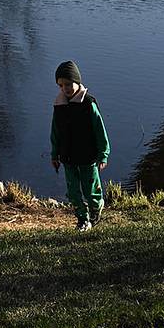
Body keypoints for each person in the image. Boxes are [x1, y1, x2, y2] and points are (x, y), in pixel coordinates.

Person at [50, 59, 111, 232]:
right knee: (73, 192)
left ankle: (95, 209)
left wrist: (103, 154)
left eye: (68, 84)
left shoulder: (88, 104)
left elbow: (100, 130)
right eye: (61, 85)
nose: (65, 89)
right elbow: (55, 132)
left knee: (90, 190)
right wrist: (54, 154)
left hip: (87, 156)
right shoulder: (59, 106)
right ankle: (82, 219)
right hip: (68, 157)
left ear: (77, 82)